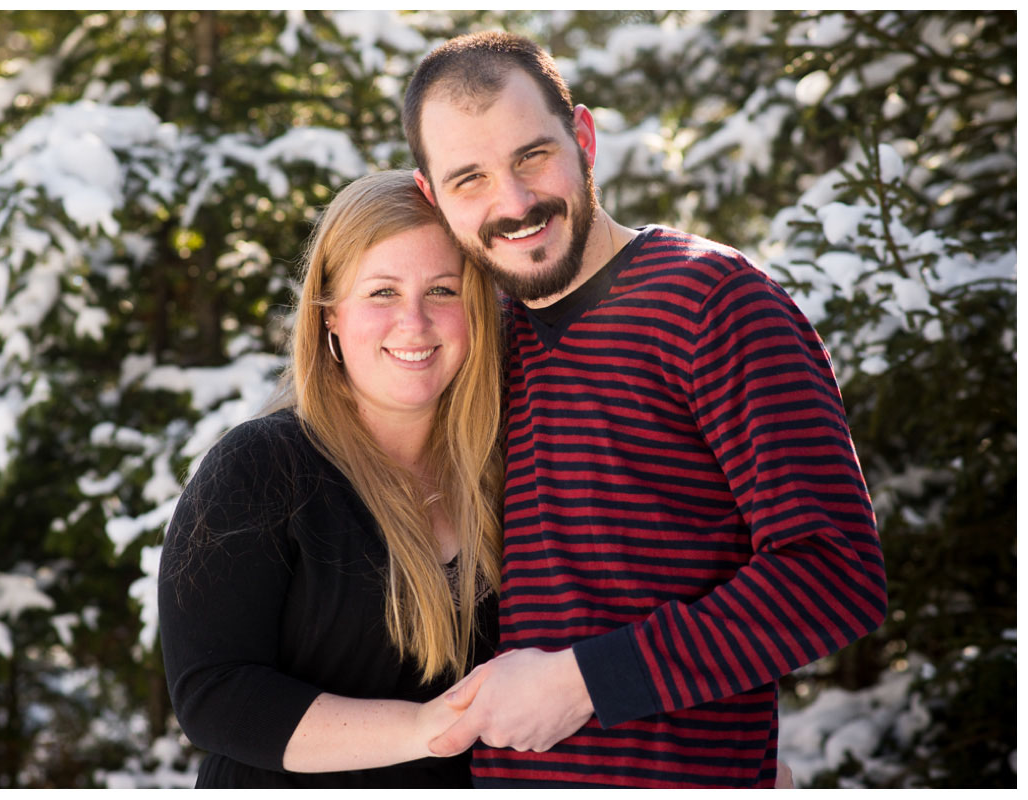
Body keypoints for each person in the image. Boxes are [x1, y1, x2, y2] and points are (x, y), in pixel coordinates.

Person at [401, 31, 887, 788]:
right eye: (470, 179)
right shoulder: (477, 340)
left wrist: (583, 682)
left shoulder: (716, 303)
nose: (516, 203)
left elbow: (835, 572)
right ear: (432, 196)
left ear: (584, 136)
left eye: (533, 156)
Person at [157, 170, 506, 788]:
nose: (415, 322)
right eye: (381, 293)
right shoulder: (262, 469)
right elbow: (214, 694)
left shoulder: (506, 474)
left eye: (444, 291)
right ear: (329, 319)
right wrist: (425, 729)